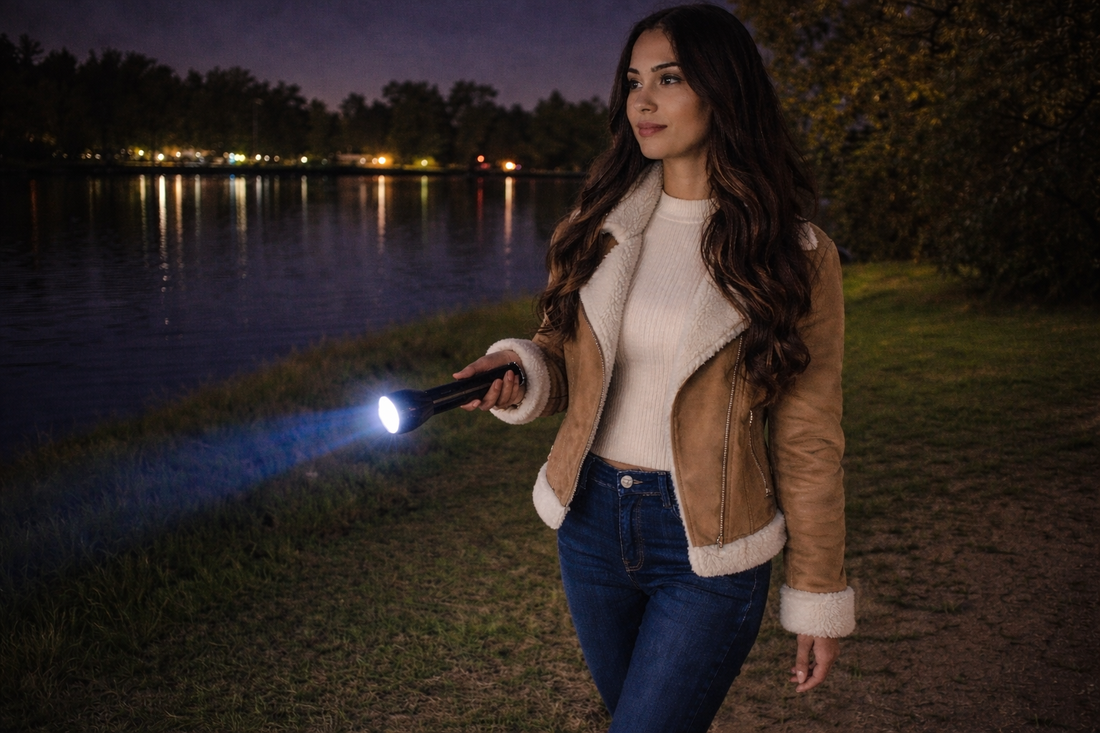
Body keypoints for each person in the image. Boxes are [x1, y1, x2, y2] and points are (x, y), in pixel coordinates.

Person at [454, 5, 854, 731]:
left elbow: (808, 435)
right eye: (634, 80)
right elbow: (563, 348)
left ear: (723, 89)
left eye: (669, 79)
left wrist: (818, 589)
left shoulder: (795, 255)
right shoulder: (603, 220)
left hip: (708, 543)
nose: (642, 100)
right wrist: (518, 365)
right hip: (591, 524)